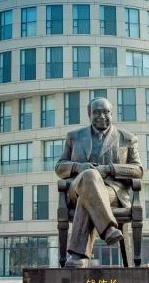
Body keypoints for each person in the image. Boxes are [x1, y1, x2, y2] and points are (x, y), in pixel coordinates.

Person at [55, 97, 144, 268]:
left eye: (106, 112)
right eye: (96, 112)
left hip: (112, 191)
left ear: (112, 114)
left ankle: (78, 256)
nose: (101, 116)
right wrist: (79, 167)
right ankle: (108, 229)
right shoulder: (74, 137)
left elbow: (138, 170)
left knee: (87, 198)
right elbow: (60, 167)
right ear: (89, 114)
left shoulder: (127, 138)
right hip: (77, 189)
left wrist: (108, 169)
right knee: (89, 175)